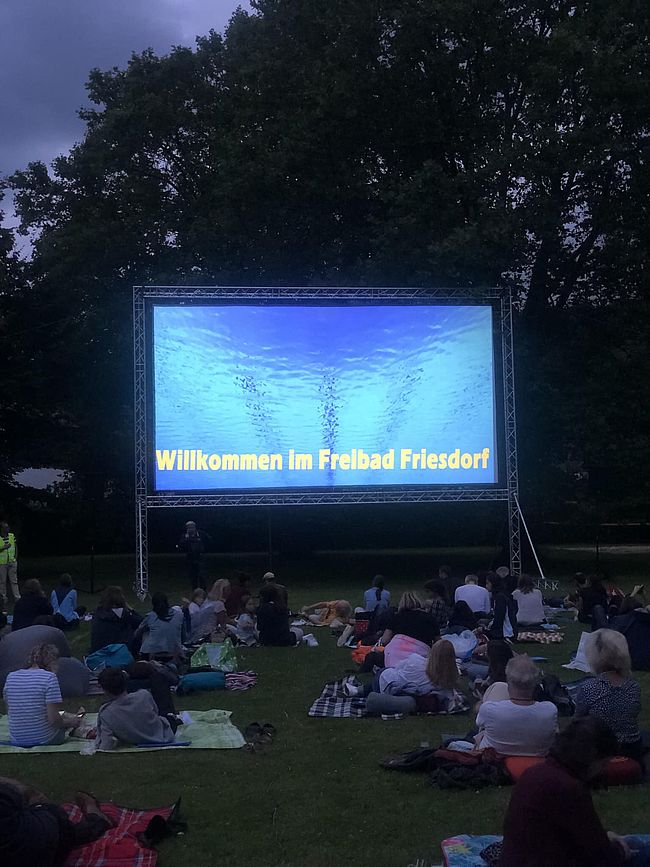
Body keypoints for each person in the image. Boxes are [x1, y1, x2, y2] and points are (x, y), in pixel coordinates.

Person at [499, 717, 642, 866]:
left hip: (518, 858)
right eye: (603, 763)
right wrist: (621, 851)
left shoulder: (535, 772)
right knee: (641, 850)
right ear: (592, 758)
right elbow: (601, 855)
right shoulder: (568, 788)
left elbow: (581, 832)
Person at [0, 777, 113, 867]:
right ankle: (98, 821)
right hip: (43, 855)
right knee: (31, 796)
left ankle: (95, 823)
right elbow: (19, 791)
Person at [575, 629, 643, 760]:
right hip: (632, 749)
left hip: (599, 751)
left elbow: (577, 722)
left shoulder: (589, 687)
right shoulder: (634, 687)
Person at [3, 644, 86, 746]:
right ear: (52, 661)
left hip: (17, 739)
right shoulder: (49, 678)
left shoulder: (11, 677)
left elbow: (11, 711)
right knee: (63, 722)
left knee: (57, 715)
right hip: (44, 739)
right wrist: (70, 723)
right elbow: (54, 721)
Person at [475, 654, 557, 755]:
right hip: (535, 763)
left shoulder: (489, 709)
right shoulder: (550, 710)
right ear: (535, 684)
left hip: (494, 764)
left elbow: (479, 723)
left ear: (508, 680)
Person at [95, 666, 178, 750]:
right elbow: (156, 713)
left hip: (142, 737)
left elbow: (106, 743)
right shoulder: (143, 695)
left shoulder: (106, 713)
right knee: (159, 681)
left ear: (105, 689)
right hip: (164, 734)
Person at [378, 637, 459, 708]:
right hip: (400, 686)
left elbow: (398, 668)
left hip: (389, 683)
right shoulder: (448, 680)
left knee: (384, 673)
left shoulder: (416, 662)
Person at [380, 592, 440, 667]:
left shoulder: (396, 617)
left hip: (394, 657)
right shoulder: (430, 618)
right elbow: (439, 643)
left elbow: (384, 640)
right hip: (420, 656)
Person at [90, 586, 143, 653]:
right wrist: (131, 609)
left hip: (98, 650)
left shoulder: (97, 612)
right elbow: (142, 622)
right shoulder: (120, 613)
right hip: (116, 650)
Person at [135, 593, 185, 659]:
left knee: (145, 633)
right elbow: (183, 636)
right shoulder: (179, 615)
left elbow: (137, 633)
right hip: (176, 652)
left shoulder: (150, 617)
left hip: (155, 654)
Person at [486, 572, 518, 640]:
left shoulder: (500, 598)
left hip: (506, 632)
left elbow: (499, 617)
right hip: (506, 629)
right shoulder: (503, 595)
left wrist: (492, 629)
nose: (486, 586)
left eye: (487, 583)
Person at [177, 520, 207, 589]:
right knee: (193, 578)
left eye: (192, 527)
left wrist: (203, 548)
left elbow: (209, 540)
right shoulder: (184, 536)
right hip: (190, 560)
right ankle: (195, 592)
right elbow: (180, 547)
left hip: (200, 559)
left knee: (202, 577)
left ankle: (203, 592)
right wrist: (186, 539)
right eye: (188, 527)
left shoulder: (201, 534)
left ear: (195, 527)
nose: (190, 529)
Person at [0, 521, 20, 602]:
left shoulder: (12, 536)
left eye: (7, 527)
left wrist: (15, 557)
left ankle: (17, 597)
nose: (7, 529)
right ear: (1, 529)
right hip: (2, 563)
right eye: (5, 527)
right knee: (2, 581)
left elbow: (15, 547)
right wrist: (3, 547)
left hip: (12, 561)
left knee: (14, 581)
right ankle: (3, 598)